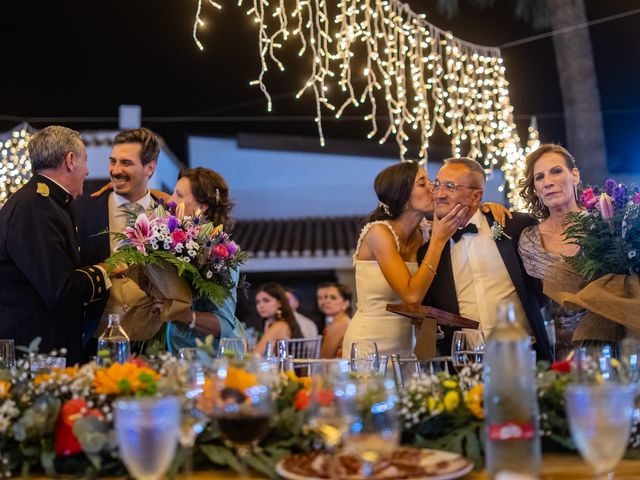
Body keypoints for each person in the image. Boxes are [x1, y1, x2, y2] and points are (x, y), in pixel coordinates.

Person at [342, 161, 510, 358]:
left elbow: (468, 219)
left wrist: (484, 209)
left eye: (432, 181)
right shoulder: (378, 233)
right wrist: (438, 241)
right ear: (402, 195)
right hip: (369, 343)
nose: (433, 188)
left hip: (408, 345)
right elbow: (411, 296)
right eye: (423, 183)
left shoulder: (426, 231)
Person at [417, 157, 552, 361]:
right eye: (437, 185)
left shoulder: (514, 227)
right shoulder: (428, 253)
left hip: (524, 356)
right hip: (465, 364)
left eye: (450, 186)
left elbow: (543, 291)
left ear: (476, 196)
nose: (440, 194)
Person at [0, 126, 114, 364]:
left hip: (44, 345)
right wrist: (108, 269)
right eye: (85, 160)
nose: (88, 170)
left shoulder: (47, 202)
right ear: (70, 161)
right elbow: (60, 290)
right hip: (36, 351)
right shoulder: (36, 206)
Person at [72, 127, 163, 354]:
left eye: (126, 163)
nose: (116, 170)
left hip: (153, 341)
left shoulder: (169, 216)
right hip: (93, 339)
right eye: (113, 161)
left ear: (150, 167)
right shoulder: (81, 211)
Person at [164, 167, 246, 354]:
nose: (170, 201)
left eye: (179, 195)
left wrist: (182, 314)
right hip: (180, 351)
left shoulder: (221, 254)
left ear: (201, 207)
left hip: (214, 358)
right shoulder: (173, 243)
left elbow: (224, 325)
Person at [517, 144, 585, 360]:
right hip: (555, 352)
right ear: (535, 188)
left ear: (574, 175)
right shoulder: (529, 241)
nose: (548, 182)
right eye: (539, 177)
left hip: (611, 344)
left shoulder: (605, 225)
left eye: (556, 171)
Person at [253, 283, 303, 354]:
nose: (260, 305)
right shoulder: (276, 323)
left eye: (266, 300)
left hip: (283, 365)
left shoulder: (279, 326)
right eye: (258, 302)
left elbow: (256, 354)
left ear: (280, 303)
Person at [317, 282, 352, 358]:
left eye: (333, 298)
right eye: (326, 297)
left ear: (345, 303)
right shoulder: (344, 321)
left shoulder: (339, 325)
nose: (326, 301)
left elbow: (324, 358)